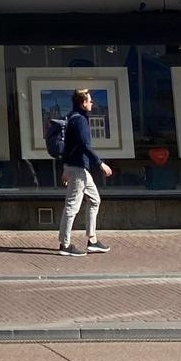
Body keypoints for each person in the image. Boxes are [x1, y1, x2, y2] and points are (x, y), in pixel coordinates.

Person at [58, 88, 111, 257]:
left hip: (76, 168)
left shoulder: (71, 117)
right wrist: (100, 163)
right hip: (78, 169)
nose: (92, 103)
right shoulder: (79, 121)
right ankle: (65, 244)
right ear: (83, 103)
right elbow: (84, 146)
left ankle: (92, 240)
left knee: (95, 199)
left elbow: (67, 147)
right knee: (72, 206)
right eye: (90, 100)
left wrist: (64, 168)